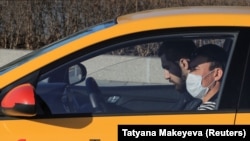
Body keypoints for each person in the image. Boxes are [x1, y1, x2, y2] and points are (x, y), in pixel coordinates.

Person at [186, 44, 227, 110]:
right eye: (190, 69)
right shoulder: (200, 104)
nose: (190, 74)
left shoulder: (209, 111)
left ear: (217, 74)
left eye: (195, 69)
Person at [158, 40, 197, 107]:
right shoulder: (188, 98)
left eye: (168, 68)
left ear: (184, 64)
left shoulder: (199, 101)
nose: (166, 76)